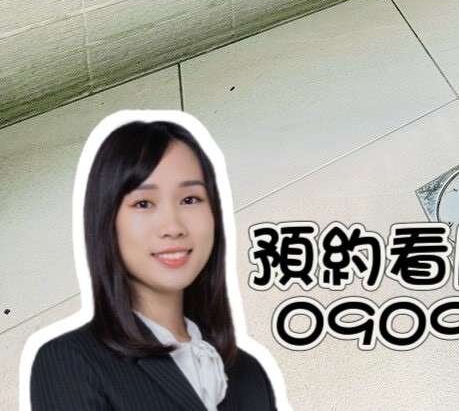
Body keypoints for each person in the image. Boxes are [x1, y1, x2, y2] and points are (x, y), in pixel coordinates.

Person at [28, 118, 282, 409]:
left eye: (190, 199)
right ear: (107, 220)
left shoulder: (248, 374)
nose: (173, 227)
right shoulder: (71, 363)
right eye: (143, 203)